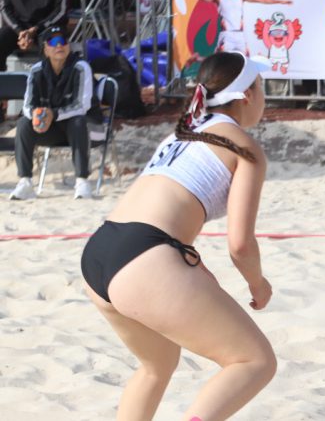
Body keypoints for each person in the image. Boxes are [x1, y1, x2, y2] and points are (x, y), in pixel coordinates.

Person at [79, 52, 275, 420]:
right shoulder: (242, 145)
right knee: (254, 361)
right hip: (144, 258)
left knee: (158, 365)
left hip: (100, 251)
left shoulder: (182, 132)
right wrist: (258, 284)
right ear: (247, 95)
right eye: (262, 87)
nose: (265, 97)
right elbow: (240, 244)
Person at [9, 26, 95, 200]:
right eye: (53, 42)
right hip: (49, 130)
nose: (59, 46)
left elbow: (82, 105)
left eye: (63, 41)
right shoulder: (36, 70)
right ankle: (25, 182)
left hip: (81, 128)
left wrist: (53, 114)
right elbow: (27, 105)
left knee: (78, 121)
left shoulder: (81, 67)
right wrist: (36, 114)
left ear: (69, 46)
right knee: (24, 124)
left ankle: (82, 181)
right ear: (45, 49)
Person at [195, 0, 292, 57]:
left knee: (245, 61)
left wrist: (280, 1)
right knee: (222, 61)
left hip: (240, 35)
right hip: (226, 35)